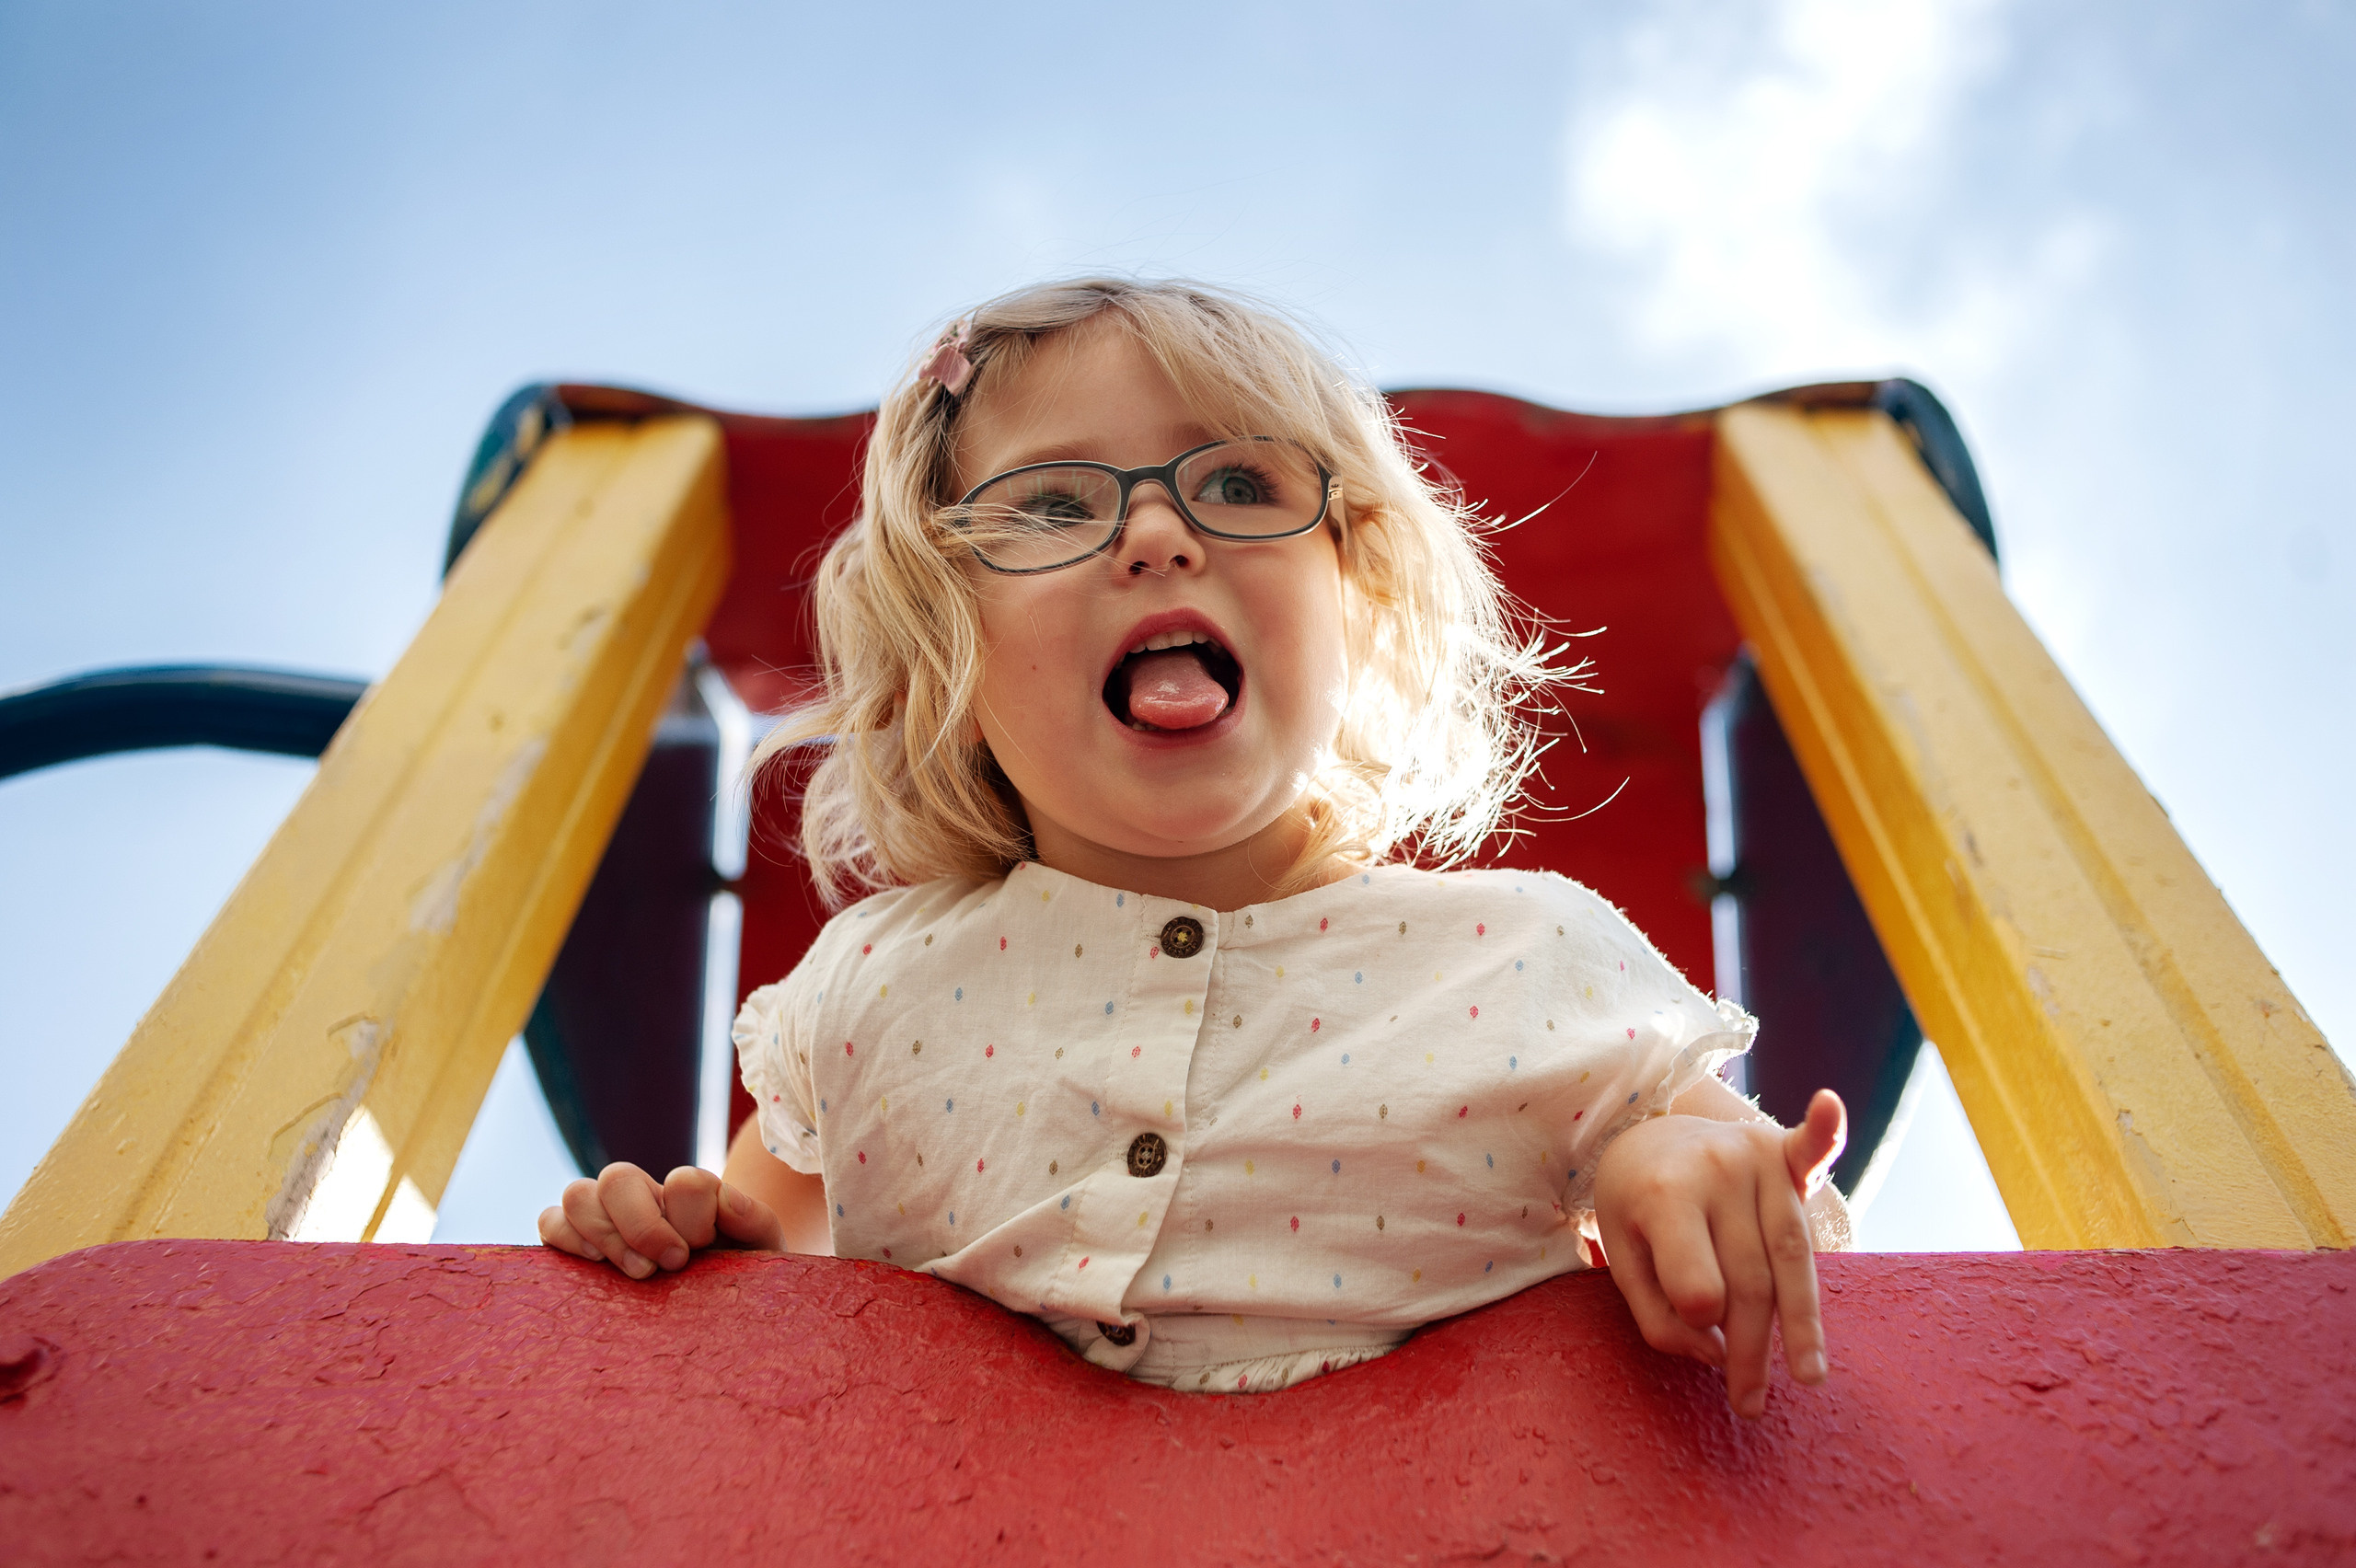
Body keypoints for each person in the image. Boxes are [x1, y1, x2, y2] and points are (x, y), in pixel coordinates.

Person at [540, 278, 1851, 1417]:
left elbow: (1778, 1238)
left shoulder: (1525, 957)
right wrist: (682, 1236)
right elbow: (763, 1268)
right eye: (1052, 506)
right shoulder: (872, 985)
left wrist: (1669, 1164)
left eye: (1237, 484)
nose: (1159, 534)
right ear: (949, 646)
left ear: (1358, 604)